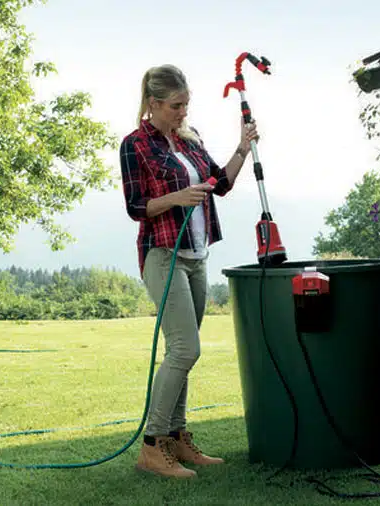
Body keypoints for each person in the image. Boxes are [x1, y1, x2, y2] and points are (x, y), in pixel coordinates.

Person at [119, 64, 259, 478]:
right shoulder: (135, 145)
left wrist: (243, 148)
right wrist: (177, 197)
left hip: (197, 256)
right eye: (176, 106)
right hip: (162, 255)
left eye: (186, 104)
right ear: (153, 104)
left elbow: (221, 184)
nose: (183, 112)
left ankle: (177, 439)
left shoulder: (190, 140)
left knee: (181, 352)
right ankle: (151, 445)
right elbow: (135, 207)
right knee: (185, 349)